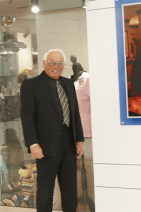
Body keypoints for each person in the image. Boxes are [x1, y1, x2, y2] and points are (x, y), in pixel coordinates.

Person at [20, 49, 84, 212]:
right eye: (52, 62)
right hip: (45, 148)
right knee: (45, 192)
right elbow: (27, 118)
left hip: (68, 147)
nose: (56, 66)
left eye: (59, 63)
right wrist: (33, 144)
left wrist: (79, 140)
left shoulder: (69, 84)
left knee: (70, 191)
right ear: (44, 63)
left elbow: (75, 113)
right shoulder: (31, 85)